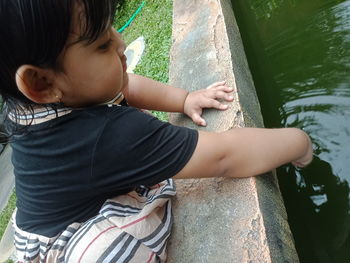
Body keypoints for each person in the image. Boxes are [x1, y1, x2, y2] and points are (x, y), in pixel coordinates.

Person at [0, 0, 313, 262]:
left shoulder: (34, 106)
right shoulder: (110, 135)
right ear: (41, 83)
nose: (121, 41)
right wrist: (298, 142)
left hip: (43, 223)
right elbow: (225, 155)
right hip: (68, 244)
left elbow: (126, 83)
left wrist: (184, 99)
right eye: (103, 44)